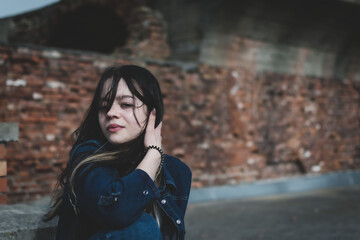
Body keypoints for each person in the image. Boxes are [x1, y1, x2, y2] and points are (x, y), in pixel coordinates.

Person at [44, 65, 192, 240]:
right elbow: (117, 210)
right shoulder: (88, 157)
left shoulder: (177, 172)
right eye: (103, 106)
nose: (111, 113)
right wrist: (153, 154)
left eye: (126, 104)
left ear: (153, 112)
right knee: (141, 227)